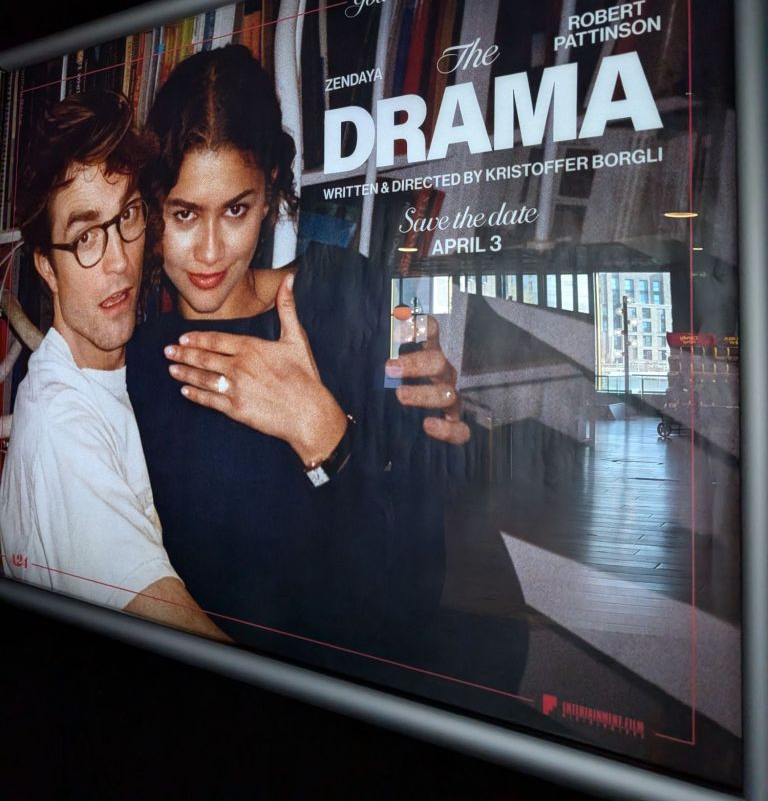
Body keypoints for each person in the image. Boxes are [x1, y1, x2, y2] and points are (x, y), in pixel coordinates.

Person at [127, 44, 467, 662]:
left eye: (236, 209)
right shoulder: (137, 359)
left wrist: (323, 432)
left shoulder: (355, 291)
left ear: (271, 191)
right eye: (184, 214)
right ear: (153, 208)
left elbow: (418, 592)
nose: (209, 252)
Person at [0, 92, 226, 642]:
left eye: (126, 216)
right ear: (46, 267)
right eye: (85, 238)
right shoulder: (60, 426)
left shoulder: (133, 363)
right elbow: (186, 639)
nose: (120, 260)